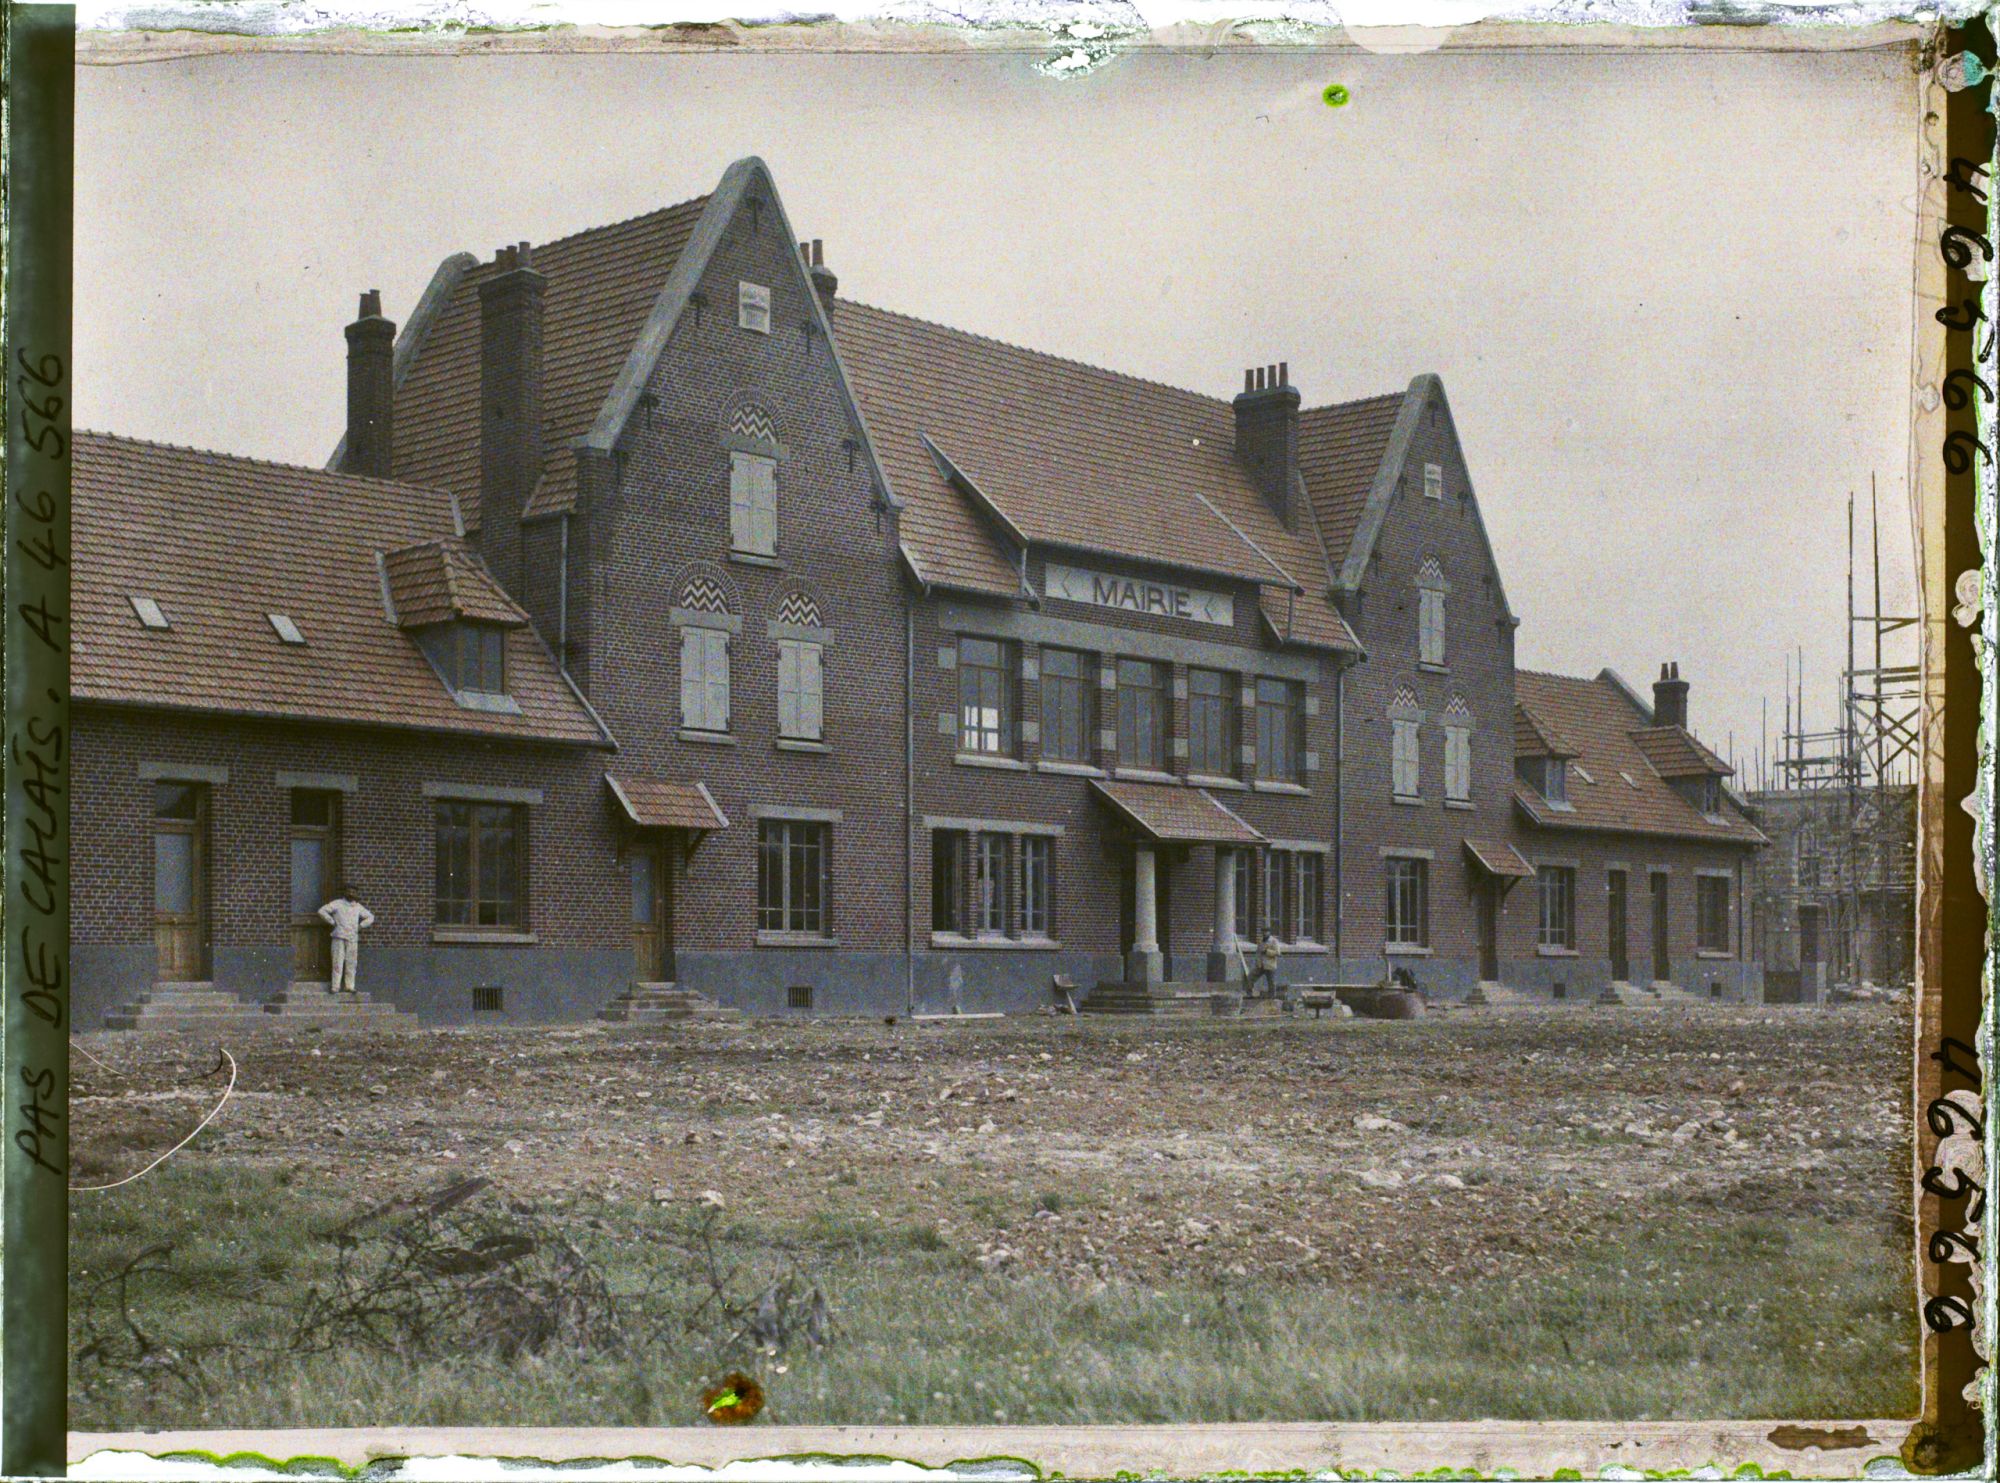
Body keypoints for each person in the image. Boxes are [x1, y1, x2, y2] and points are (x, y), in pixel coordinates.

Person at [317, 884, 376, 995]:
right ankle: (335, 987)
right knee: (337, 962)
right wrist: (332, 922)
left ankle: (350, 986)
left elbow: (370, 917)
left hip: (352, 938)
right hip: (339, 936)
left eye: (353, 892)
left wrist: (361, 926)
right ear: (345, 892)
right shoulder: (337, 904)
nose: (351, 894)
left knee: (351, 963)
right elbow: (322, 911)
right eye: (349, 891)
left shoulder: (358, 907)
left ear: (356, 894)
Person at [1246, 930, 1282, 999]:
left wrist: (1267, 951)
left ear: (1269, 933)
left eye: (1266, 932)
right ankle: (1249, 994)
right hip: (1261, 965)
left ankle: (1272, 997)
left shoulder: (1274, 941)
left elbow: (1278, 953)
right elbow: (1258, 952)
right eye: (1263, 932)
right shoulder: (1261, 941)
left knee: (1271, 982)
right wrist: (1257, 961)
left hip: (1269, 965)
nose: (1264, 933)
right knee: (1250, 977)